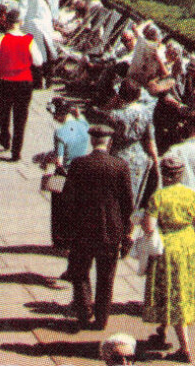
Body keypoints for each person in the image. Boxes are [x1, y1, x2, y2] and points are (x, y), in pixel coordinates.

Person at [62, 124, 134, 331]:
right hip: (111, 231)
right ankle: (102, 319)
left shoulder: (78, 164)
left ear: (92, 141)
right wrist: (128, 232)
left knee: (80, 272)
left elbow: (68, 198)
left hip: (83, 230)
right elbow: (128, 204)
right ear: (109, 141)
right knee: (106, 277)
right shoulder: (119, 166)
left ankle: (84, 310)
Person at [139, 153, 195, 362]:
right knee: (181, 289)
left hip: (167, 248)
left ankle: (185, 348)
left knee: (171, 291)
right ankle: (162, 330)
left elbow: (149, 227)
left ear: (163, 174)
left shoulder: (158, 197)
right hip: (188, 246)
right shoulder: (191, 195)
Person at [108, 81, 157, 209]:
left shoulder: (115, 115)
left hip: (117, 155)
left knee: (114, 196)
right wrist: (155, 160)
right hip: (138, 156)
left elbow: (108, 139)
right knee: (132, 195)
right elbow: (150, 139)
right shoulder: (145, 113)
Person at [49, 99, 90, 251]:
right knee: (77, 209)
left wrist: (45, 159)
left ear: (60, 114)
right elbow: (80, 117)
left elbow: (59, 161)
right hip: (82, 173)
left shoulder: (60, 133)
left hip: (65, 174)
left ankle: (61, 241)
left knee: (60, 210)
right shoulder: (84, 126)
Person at [0, 16, 35, 161]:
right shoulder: (29, 40)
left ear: (6, 23)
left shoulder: (1, 40)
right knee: (20, 118)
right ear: (21, 23)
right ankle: (16, 152)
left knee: (3, 113)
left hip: (5, 82)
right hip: (24, 82)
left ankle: (5, 137)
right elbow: (38, 60)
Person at [17, 0, 61, 89]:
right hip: (46, 24)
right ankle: (49, 79)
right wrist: (55, 21)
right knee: (48, 51)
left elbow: (21, 10)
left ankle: (37, 81)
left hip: (30, 25)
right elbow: (54, 10)